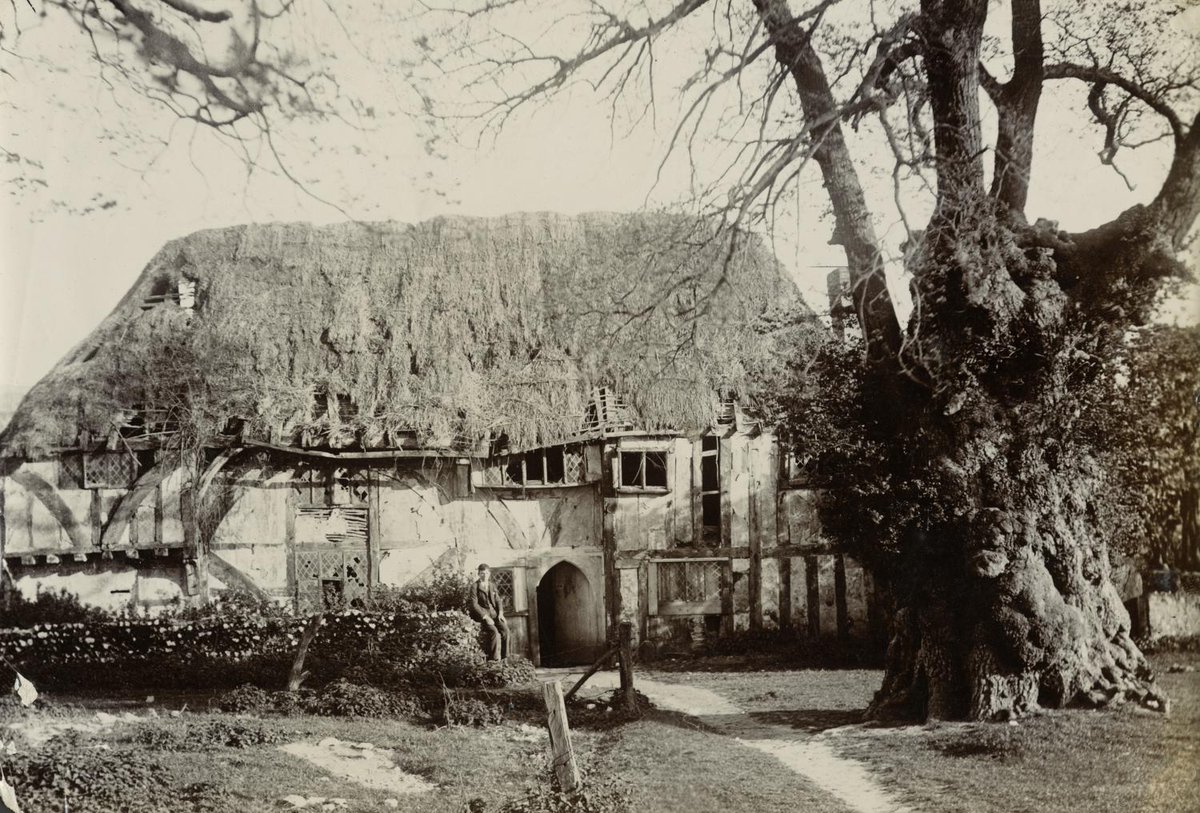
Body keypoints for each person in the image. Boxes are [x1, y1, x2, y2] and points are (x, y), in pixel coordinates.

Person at [468, 563, 508, 661]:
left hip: (494, 614)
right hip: (483, 615)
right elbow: (474, 604)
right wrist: (485, 617)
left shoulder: (492, 585)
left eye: (486, 573)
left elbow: (498, 600)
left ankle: (504, 657)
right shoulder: (474, 586)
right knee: (494, 632)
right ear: (478, 574)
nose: (484, 575)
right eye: (482, 573)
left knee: (505, 630)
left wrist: (501, 613)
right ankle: (494, 660)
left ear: (489, 574)